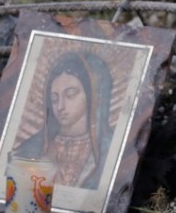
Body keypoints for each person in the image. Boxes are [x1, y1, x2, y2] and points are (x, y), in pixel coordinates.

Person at [13, 51, 115, 190]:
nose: (60, 106)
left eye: (70, 94)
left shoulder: (112, 148)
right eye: (54, 99)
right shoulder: (29, 149)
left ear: (92, 95)